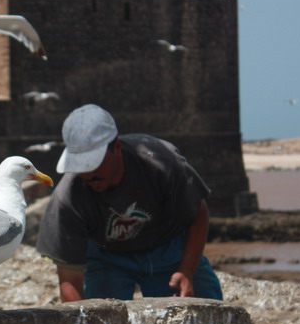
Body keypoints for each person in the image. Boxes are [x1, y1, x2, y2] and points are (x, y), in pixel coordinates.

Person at [36, 104, 223, 302]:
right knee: (100, 322)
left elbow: (198, 213)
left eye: (93, 163)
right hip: (107, 256)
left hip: (169, 246)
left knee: (209, 313)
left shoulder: (160, 162)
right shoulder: (68, 198)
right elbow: (70, 279)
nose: (88, 174)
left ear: (116, 146)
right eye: (81, 166)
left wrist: (187, 270)